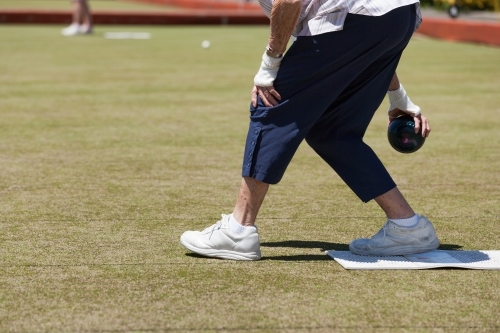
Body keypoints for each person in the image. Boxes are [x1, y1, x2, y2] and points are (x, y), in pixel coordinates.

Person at [180, 0, 440, 260]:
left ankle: (238, 229)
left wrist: (269, 66)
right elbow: (369, 38)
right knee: (331, 130)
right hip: (396, 16)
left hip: (351, 18)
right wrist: (398, 98)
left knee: (271, 104)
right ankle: (408, 226)